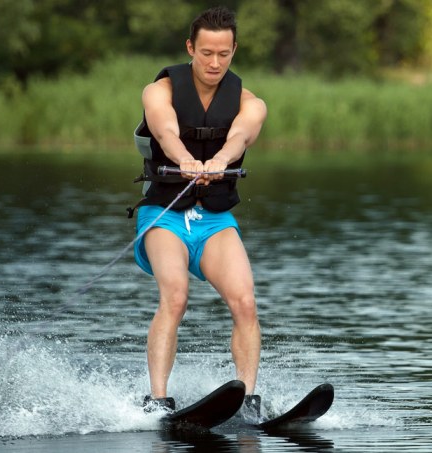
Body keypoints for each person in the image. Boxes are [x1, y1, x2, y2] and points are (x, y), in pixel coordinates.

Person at [130, 6, 267, 416]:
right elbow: (164, 130)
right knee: (175, 296)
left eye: (223, 54)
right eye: (206, 53)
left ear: (234, 51)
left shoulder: (250, 103)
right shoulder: (159, 91)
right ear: (191, 47)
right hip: (165, 213)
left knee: (245, 303)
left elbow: (241, 135)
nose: (214, 63)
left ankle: (247, 401)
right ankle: (157, 400)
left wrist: (222, 158)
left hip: (214, 219)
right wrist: (185, 159)